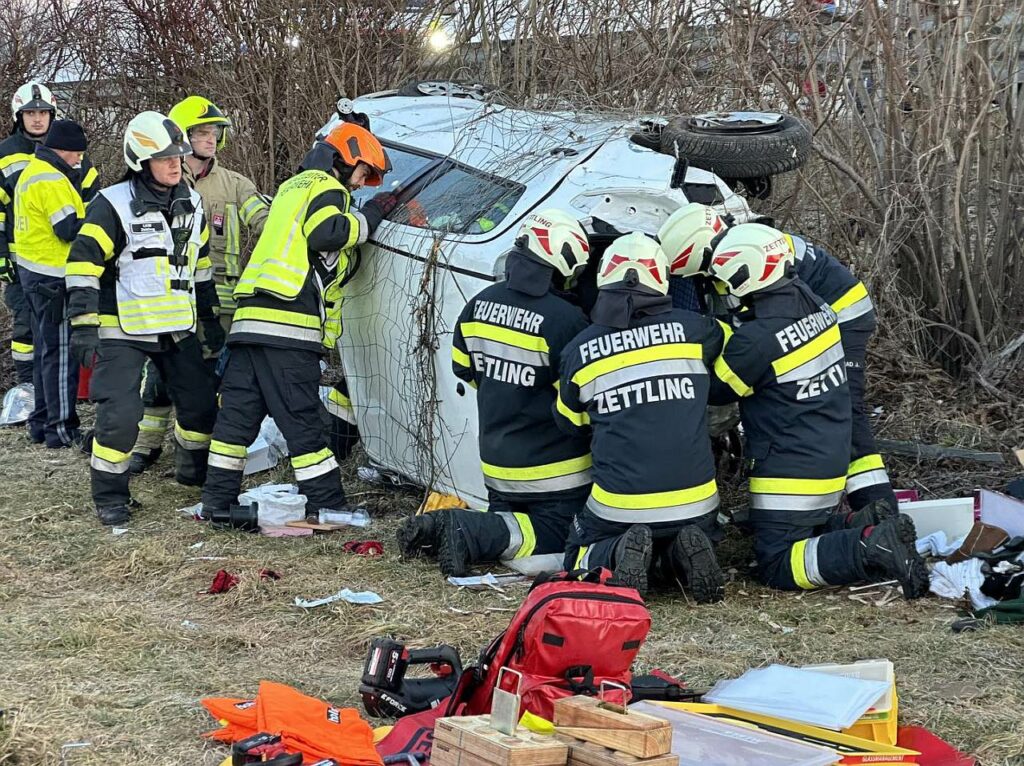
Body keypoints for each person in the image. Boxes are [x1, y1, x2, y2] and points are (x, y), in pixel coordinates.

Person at [705, 223, 928, 598]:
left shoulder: (755, 341)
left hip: (791, 474)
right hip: (830, 457)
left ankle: (870, 544)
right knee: (792, 533)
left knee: (776, 562)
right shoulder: (815, 303)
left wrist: (710, 334)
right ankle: (863, 520)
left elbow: (717, 391)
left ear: (743, 277)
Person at [200, 122, 394, 523]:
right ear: (345, 160)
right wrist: (370, 218)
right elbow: (327, 233)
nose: (360, 186)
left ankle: (217, 502)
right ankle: (327, 503)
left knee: (236, 419)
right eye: (361, 174)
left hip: (250, 320)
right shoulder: (327, 187)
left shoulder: (292, 188)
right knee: (304, 421)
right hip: (287, 324)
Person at [659, 203, 897, 520]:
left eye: (703, 267)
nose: (707, 275)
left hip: (844, 317)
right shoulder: (747, 242)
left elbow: (770, 326)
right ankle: (792, 505)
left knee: (848, 417)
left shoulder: (749, 254)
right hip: (822, 315)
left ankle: (879, 515)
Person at [396, 209, 594, 576]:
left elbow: (465, 370)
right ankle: (463, 528)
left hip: (497, 462)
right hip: (557, 470)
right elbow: (578, 397)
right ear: (562, 263)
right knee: (572, 536)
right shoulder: (566, 320)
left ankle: (472, 530)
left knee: (512, 530)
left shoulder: (478, 305)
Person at [65, 111, 219, 525]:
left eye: (178, 155)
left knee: (201, 406)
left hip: (177, 326)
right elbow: (82, 264)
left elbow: (198, 263)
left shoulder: (192, 201)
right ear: (140, 160)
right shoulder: (111, 205)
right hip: (123, 329)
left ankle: (191, 474)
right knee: (119, 418)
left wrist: (210, 318)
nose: (175, 163)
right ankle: (111, 497)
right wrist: (82, 323)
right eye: (165, 157)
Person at [554, 232, 727, 602]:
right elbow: (733, 351)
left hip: (620, 505)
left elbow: (570, 425)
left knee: (576, 551)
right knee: (683, 526)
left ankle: (615, 553)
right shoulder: (699, 330)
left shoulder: (578, 351)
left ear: (603, 279)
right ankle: (681, 553)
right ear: (662, 278)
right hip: (699, 501)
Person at [129, 95, 270, 474]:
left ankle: (192, 454)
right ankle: (145, 446)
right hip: (168, 300)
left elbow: (266, 223)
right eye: (202, 132)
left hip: (219, 302)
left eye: (215, 133)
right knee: (158, 376)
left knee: (206, 380)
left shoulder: (235, 184)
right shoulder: (161, 183)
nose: (211, 139)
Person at [1, 83, 97, 389]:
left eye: (43, 112)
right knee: (26, 327)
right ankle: (28, 388)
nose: (38, 119)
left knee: (71, 323)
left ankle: (63, 389)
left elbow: (93, 201)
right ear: (19, 116)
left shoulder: (74, 153)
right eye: (30, 113)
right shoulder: (4, 155)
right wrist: (1, 253)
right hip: (24, 260)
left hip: (71, 256)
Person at [13, 120, 90, 447]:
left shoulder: (32, 171)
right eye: (77, 154)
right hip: (54, 279)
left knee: (46, 352)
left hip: (33, 275)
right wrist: (99, 216)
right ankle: (61, 429)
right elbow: (67, 228)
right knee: (61, 356)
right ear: (64, 149)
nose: (79, 160)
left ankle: (41, 423)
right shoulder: (51, 178)